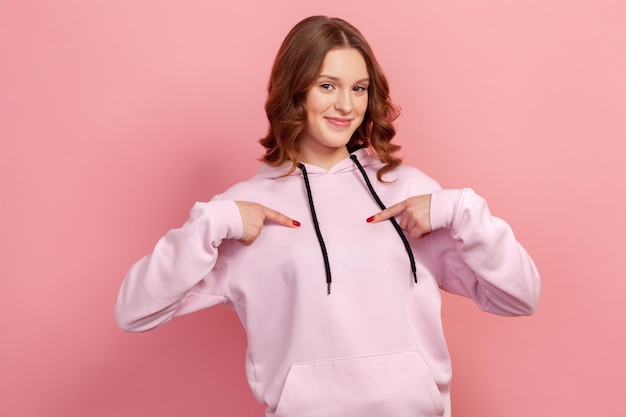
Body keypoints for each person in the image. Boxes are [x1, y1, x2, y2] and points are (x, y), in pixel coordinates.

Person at [115, 15, 540, 417]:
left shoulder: (412, 192)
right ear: (295, 89)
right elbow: (134, 311)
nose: (345, 105)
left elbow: (520, 297)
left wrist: (463, 210)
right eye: (327, 85)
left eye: (359, 88)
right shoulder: (244, 209)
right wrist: (210, 224)